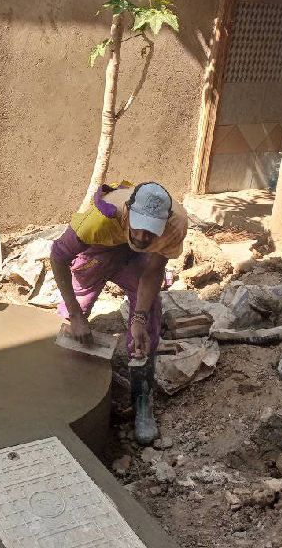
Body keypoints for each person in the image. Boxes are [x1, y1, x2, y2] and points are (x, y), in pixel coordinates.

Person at [50, 181, 187, 445]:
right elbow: (58, 257)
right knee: (73, 310)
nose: (144, 236)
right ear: (128, 211)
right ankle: (63, 383)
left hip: (139, 261)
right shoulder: (99, 220)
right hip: (99, 250)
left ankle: (141, 401)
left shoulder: (175, 226)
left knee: (148, 322)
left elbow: (153, 271)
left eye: (152, 231)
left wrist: (138, 318)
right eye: (140, 227)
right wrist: (77, 316)